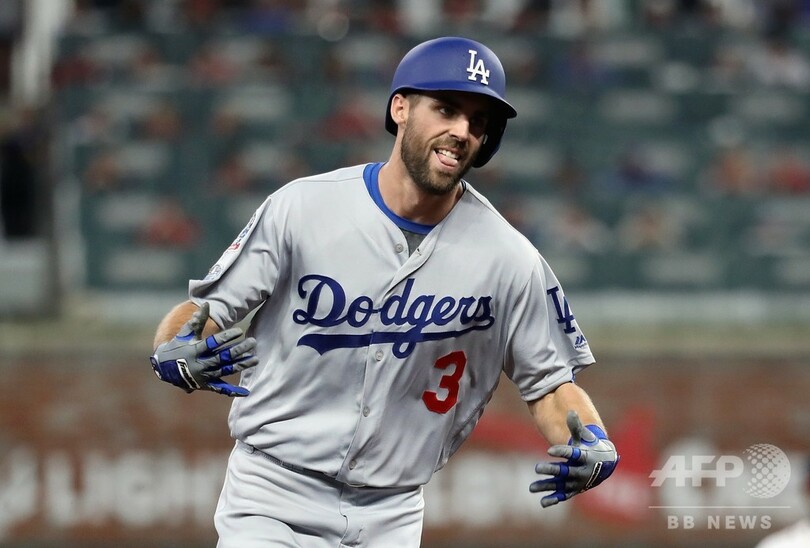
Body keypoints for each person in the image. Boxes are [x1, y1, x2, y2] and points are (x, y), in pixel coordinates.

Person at [150, 36, 619, 547]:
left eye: (478, 121)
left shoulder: (509, 257)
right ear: (400, 108)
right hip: (273, 490)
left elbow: (550, 383)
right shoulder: (302, 208)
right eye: (446, 109)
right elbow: (203, 311)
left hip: (392, 512)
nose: (461, 131)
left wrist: (593, 439)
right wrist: (172, 346)